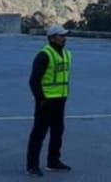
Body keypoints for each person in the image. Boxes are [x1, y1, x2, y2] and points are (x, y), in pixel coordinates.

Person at [26, 25, 73, 176]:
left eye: (65, 35)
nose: (64, 38)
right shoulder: (44, 55)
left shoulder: (66, 54)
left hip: (60, 99)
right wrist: (41, 99)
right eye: (61, 35)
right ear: (52, 37)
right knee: (39, 134)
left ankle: (53, 161)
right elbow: (34, 80)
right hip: (47, 101)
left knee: (58, 132)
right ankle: (32, 166)